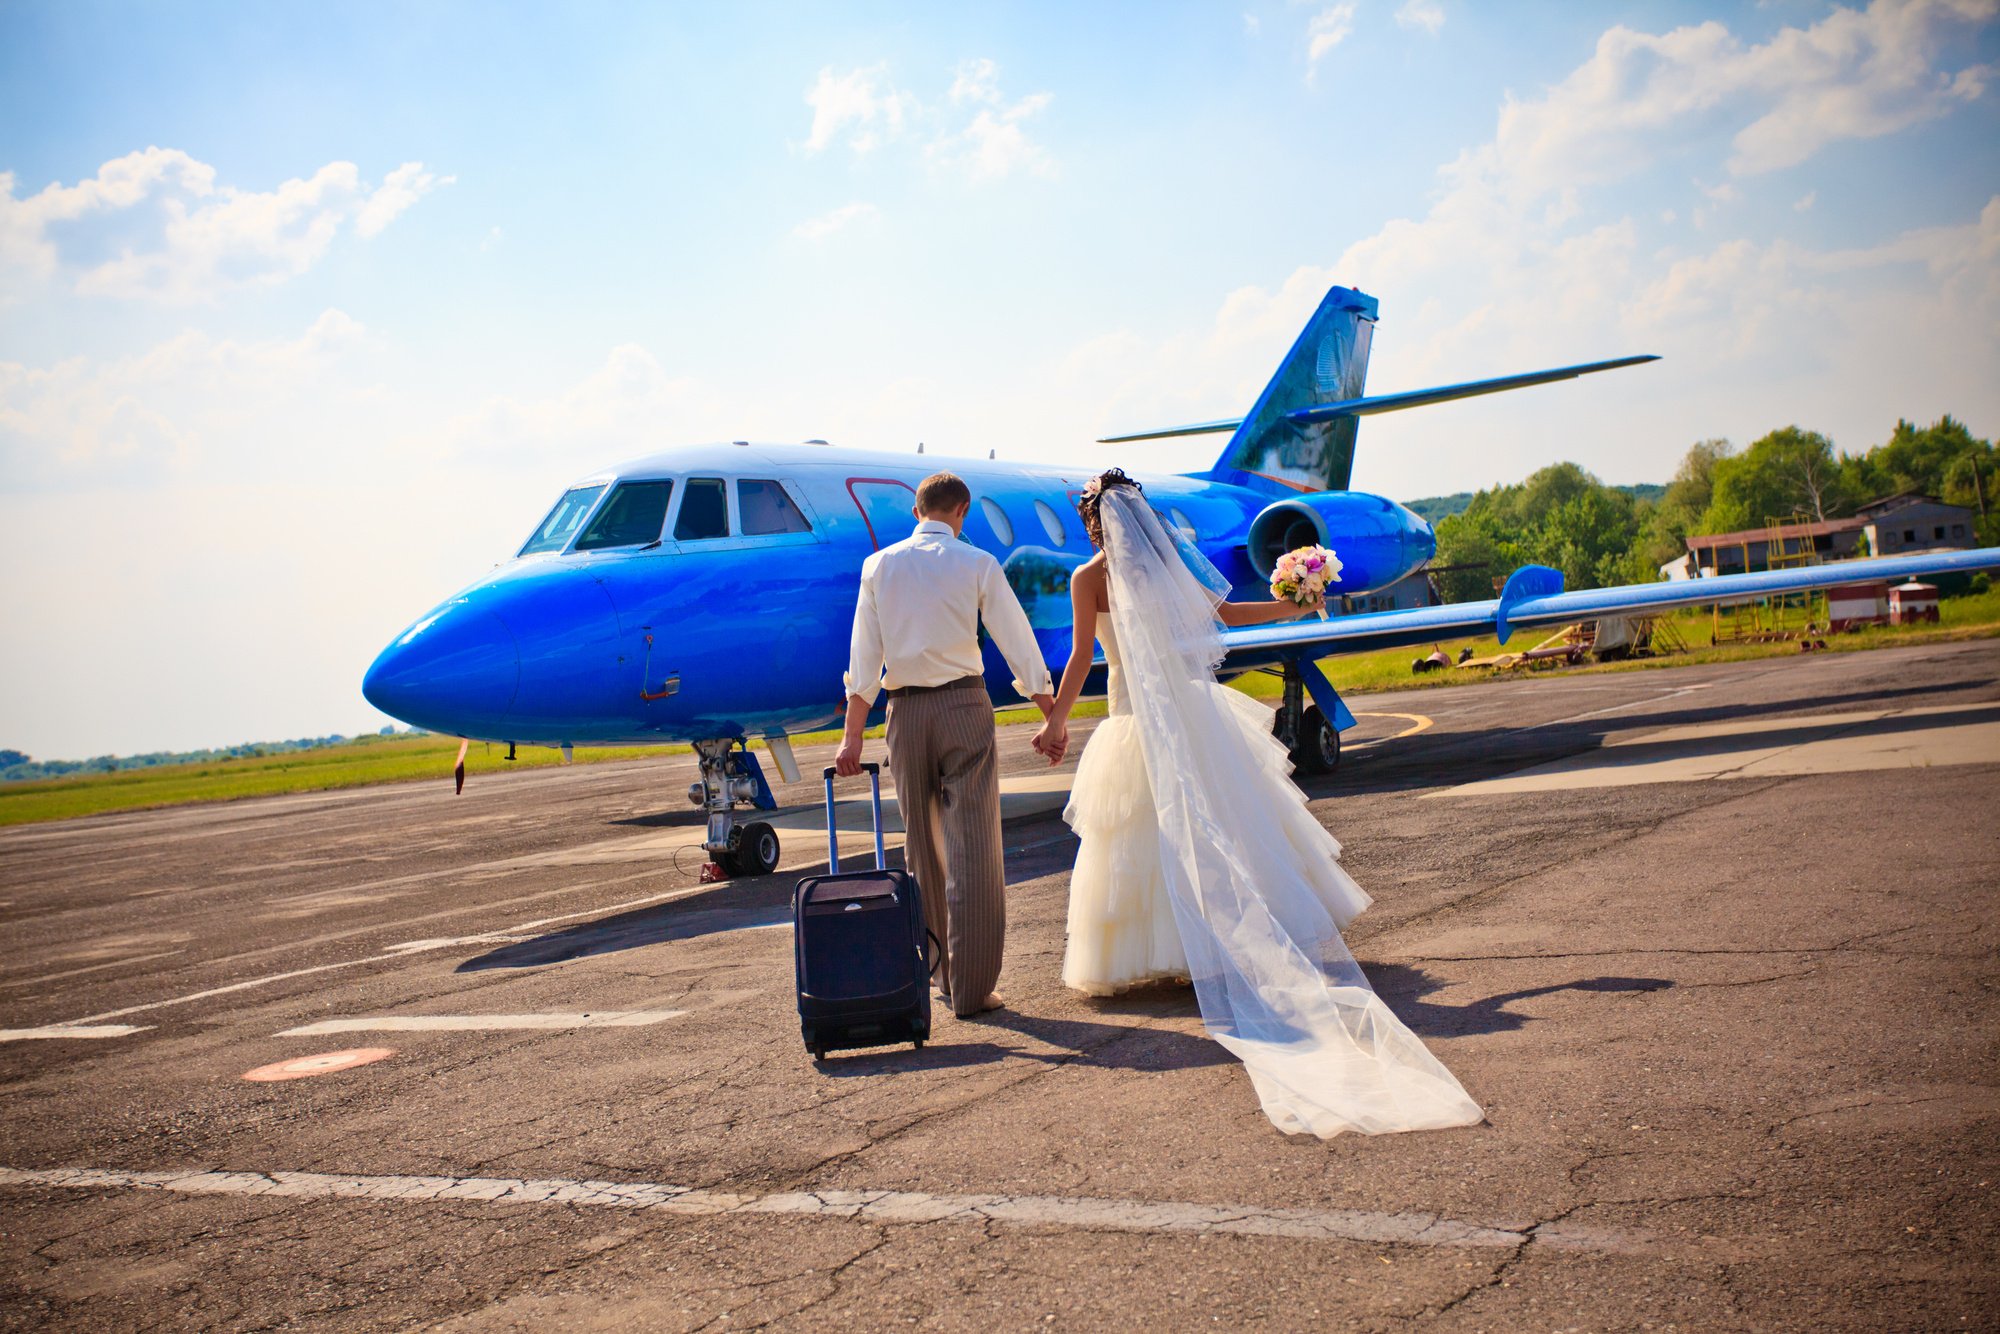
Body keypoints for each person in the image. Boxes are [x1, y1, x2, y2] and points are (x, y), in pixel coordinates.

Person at [1032, 469, 1483, 1138]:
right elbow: (1223, 616)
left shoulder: (1087, 580)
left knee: (1145, 837)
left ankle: (1174, 952)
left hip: (1135, 716)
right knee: (1232, 821)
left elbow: (1077, 659)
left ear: (1092, 521)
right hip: (1195, 710)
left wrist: (1058, 722)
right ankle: (1221, 944)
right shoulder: (1169, 566)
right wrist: (1288, 607)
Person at [836, 471, 1056, 1018]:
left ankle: (941, 974)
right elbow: (1015, 637)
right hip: (963, 706)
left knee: (922, 848)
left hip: (905, 714)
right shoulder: (977, 562)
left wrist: (850, 739)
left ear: (917, 513)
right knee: (974, 847)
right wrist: (1048, 709)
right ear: (960, 512)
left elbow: (864, 658)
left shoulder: (877, 566)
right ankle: (974, 990)